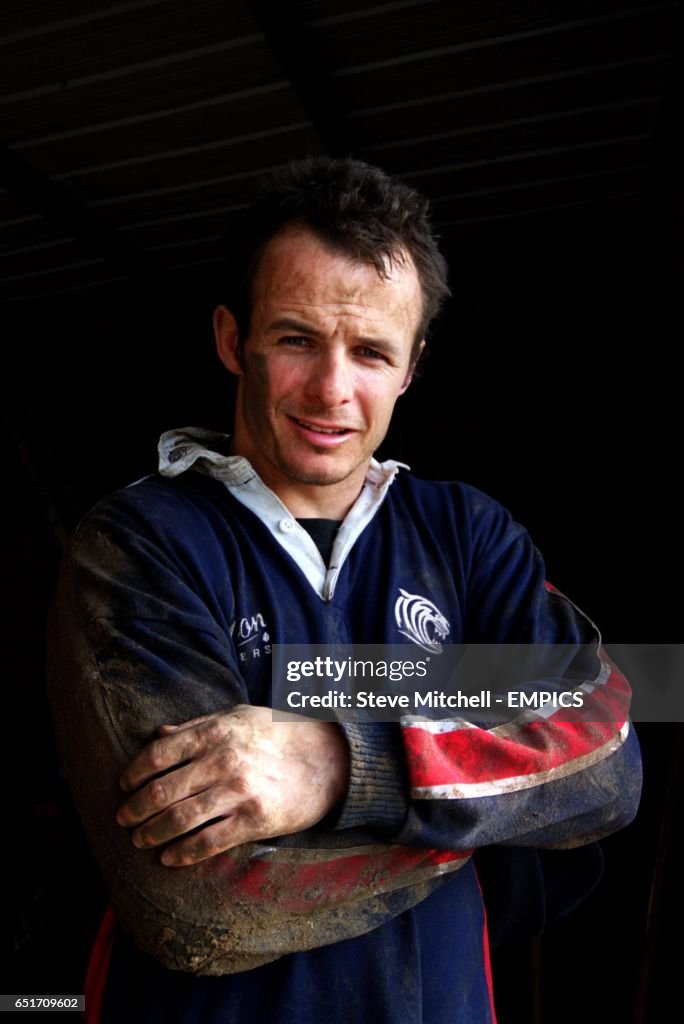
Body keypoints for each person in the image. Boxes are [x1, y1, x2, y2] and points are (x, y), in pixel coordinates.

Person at [47, 157, 642, 1024]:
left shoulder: (467, 533)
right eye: (296, 338)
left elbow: (611, 766)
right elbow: (195, 908)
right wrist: (479, 805)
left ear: (411, 368)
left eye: (370, 352)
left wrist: (340, 765)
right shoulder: (137, 545)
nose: (333, 389)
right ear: (230, 338)